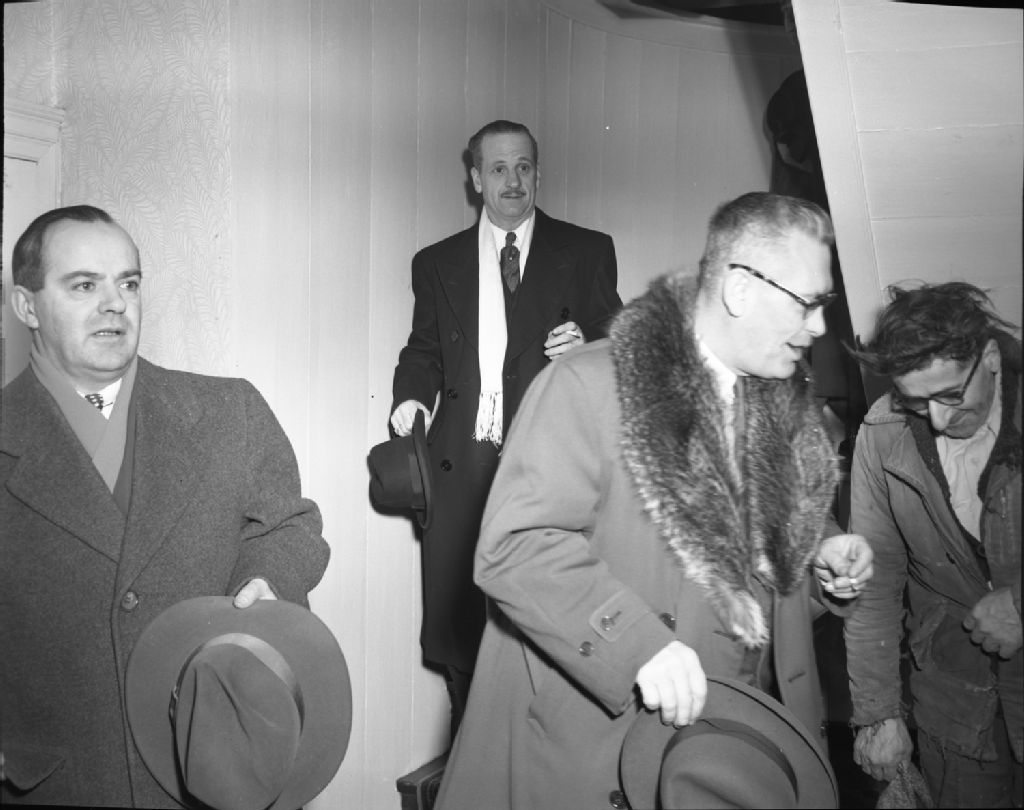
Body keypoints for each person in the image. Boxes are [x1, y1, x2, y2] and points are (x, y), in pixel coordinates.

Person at [434, 191, 874, 810]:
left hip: (719, 752)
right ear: (740, 290)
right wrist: (639, 646)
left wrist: (820, 561)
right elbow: (515, 548)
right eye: (807, 303)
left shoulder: (782, 412)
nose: (820, 327)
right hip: (594, 754)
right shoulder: (587, 384)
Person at [0, 205, 330, 808]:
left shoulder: (229, 410)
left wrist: (266, 580)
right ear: (26, 306)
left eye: (128, 283)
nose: (115, 304)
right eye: (84, 285)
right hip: (58, 779)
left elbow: (290, 526)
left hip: (212, 771)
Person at [388, 119, 621, 733]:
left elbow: (619, 336)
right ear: (476, 179)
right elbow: (424, 350)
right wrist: (410, 400)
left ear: (537, 173)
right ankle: (472, 757)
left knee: (545, 625)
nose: (512, 181)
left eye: (523, 167)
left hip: (549, 463)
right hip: (462, 468)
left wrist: (589, 343)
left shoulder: (587, 250)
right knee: (463, 631)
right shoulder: (436, 262)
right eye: (497, 168)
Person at [843, 282, 1022, 808]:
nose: (938, 421)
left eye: (950, 395)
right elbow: (874, 582)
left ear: (990, 358)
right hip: (956, 707)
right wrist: (878, 713)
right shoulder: (882, 434)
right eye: (916, 401)